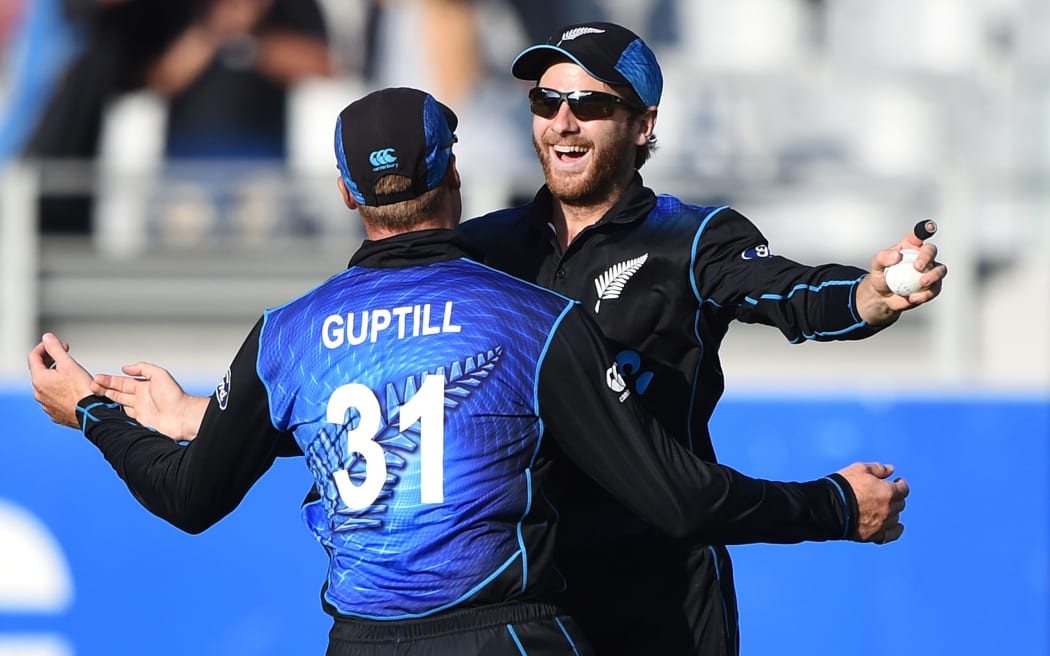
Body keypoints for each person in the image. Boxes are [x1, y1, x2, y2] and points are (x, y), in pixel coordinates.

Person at [29, 87, 908, 655]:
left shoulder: (287, 335)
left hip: (362, 643)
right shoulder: (529, 315)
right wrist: (831, 505)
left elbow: (190, 499)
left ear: (344, 194)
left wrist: (97, 414)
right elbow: (677, 495)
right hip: (510, 637)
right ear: (454, 172)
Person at [454, 21, 948, 656]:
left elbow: (786, 290)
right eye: (546, 102)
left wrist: (867, 295)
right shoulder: (489, 245)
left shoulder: (690, 238)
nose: (563, 122)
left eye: (592, 104)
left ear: (643, 124)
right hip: (520, 592)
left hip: (660, 591)